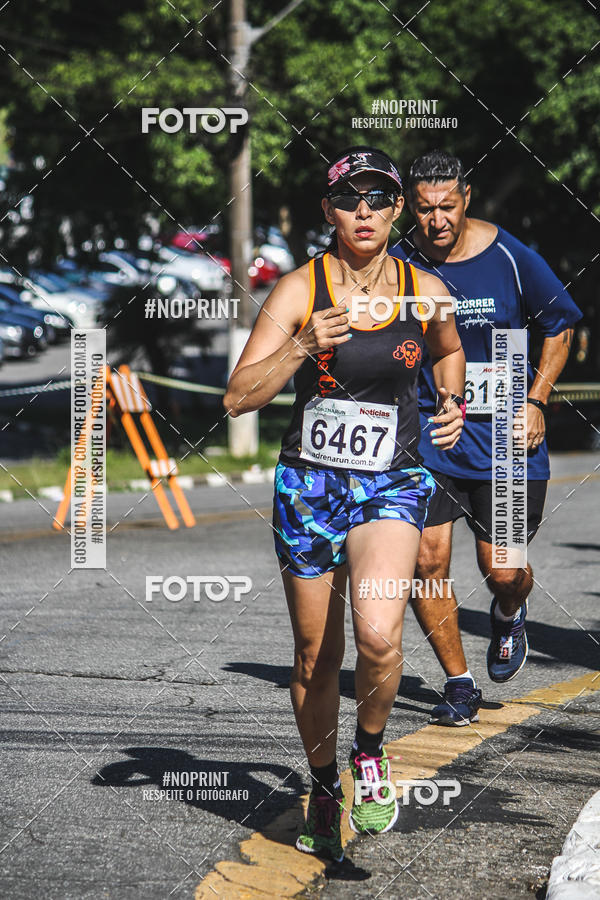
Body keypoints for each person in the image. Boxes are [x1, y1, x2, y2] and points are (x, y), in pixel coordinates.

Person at [224, 146, 466, 860]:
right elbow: (240, 397)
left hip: (391, 481)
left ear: (397, 211)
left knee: (380, 637)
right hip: (311, 488)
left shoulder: (426, 292)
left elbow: (448, 351)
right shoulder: (303, 288)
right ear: (329, 211)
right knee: (312, 657)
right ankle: (325, 784)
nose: (364, 211)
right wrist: (301, 346)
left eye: (379, 199)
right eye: (349, 199)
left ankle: (369, 752)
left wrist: (449, 400)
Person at [389, 150, 582, 726]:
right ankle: (459, 682)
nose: (437, 220)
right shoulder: (398, 263)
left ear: (466, 198)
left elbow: (560, 323)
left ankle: (507, 611)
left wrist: (536, 400)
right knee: (427, 561)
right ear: (409, 210)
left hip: (505, 438)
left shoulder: (510, 257)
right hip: (430, 435)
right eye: (424, 210)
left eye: (447, 206)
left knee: (502, 570)